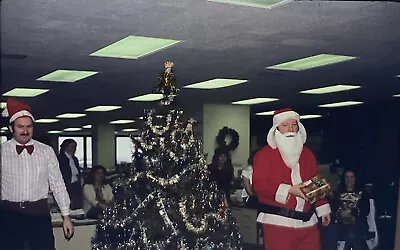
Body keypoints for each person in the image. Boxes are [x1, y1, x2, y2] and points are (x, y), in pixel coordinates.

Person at [0, 98, 74, 250]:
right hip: (9, 216)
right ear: (11, 128)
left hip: (39, 215)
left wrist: (66, 216)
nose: (25, 131)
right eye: (20, 127)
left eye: (29, 126)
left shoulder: (46, 152)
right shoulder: (2, 152)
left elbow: (58, 184)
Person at [252, 108, 331, 250]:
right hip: (279, 223)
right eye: (285, 125)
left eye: (294, 125)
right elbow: (259, 185)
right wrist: (290, 189)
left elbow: (317, 179)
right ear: (276, 129)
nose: (290, 129)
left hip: (308, 223)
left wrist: (323, 208)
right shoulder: (264, 155)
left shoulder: (307, 154)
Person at [333, 169, 371, 250]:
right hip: (341, 223)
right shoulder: (337, 193)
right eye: (347, 177)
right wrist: (341, 214)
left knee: (352, 232)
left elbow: (366, 210)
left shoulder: (363, 193)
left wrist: (352, 212)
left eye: (351, 177)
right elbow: (333, 209)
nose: (349, 179)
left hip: (358, 222)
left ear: (355, 178)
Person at [58, 138, 83, 209]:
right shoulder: (60, 159)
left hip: (75, 185)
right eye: (72, 146)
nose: (74, 149)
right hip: (66, 186)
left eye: (75, 147)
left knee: (77, 205)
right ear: (66, 147)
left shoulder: (74, 159)